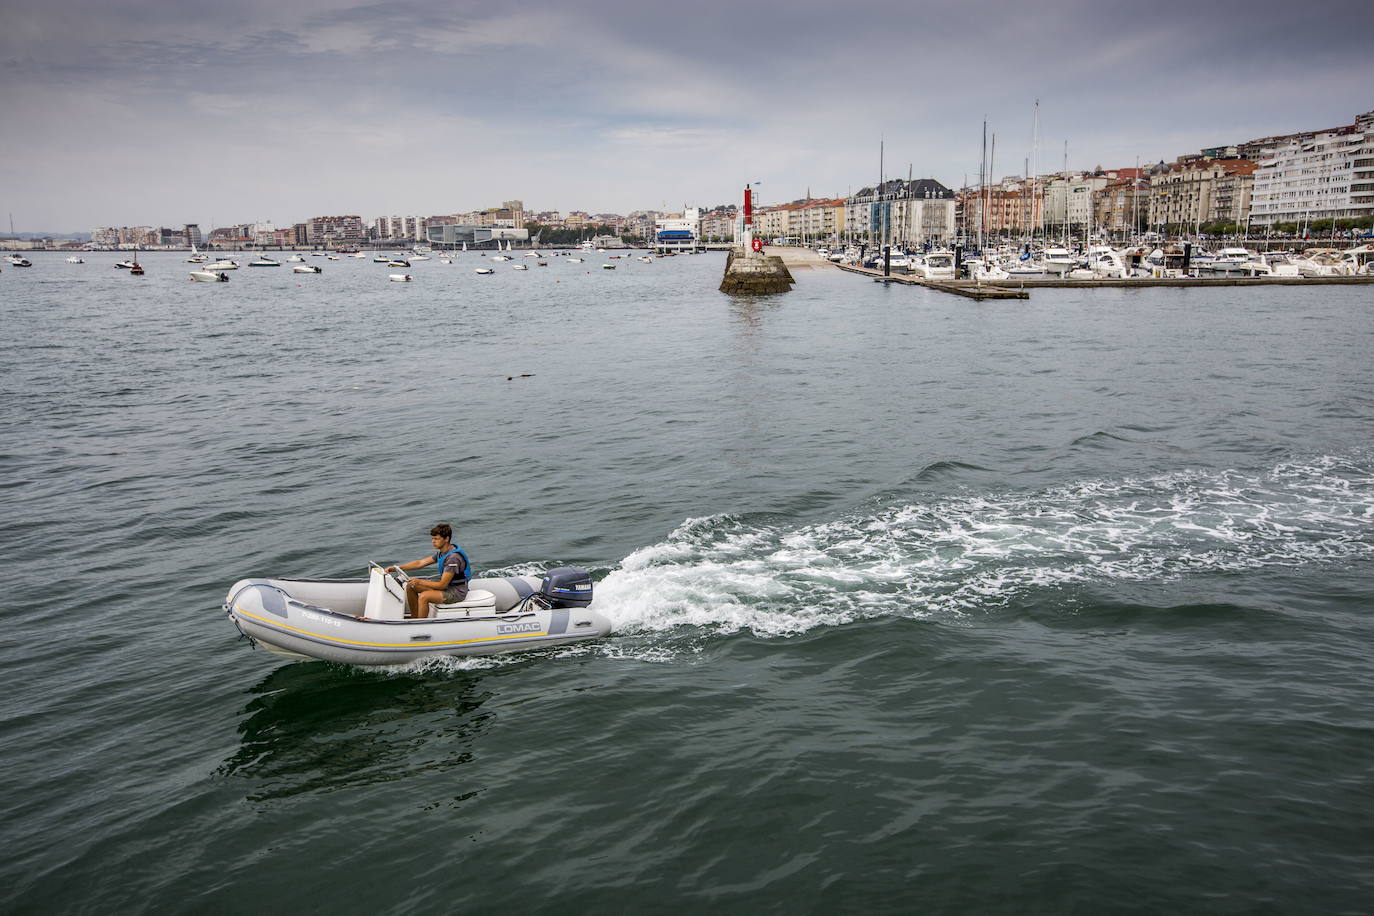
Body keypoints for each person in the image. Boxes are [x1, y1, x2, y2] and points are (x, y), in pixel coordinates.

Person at [384, 524, 471, 619]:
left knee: (424, 596)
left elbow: (442, 585)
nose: (433, 541)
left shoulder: (453, 559)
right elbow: (420, 563)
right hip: (447, 588)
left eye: (436, 539)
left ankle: (420, 624)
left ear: (446, 539)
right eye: (432, 538)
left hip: (456, 592)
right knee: (411, 586)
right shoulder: (442, 553)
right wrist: (396, 568)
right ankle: (415, 618)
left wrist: (419, 581)